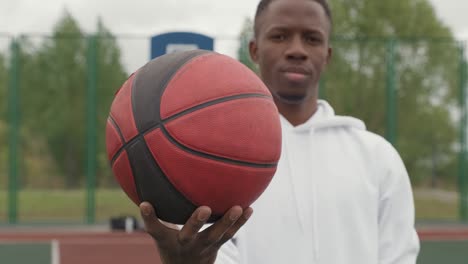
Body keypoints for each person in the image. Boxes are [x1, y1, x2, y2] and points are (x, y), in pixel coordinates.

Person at [139, 0, 421, 263]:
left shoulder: (378, 157)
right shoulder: (210, 156)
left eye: (312, 38)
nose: (297, 49)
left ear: (327, 55)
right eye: (280, 36)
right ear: (254, 50)